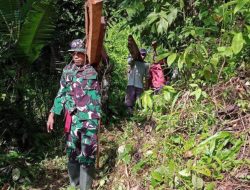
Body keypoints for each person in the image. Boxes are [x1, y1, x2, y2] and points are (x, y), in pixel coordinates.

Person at [46, 39, 101, 190]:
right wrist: (52, 113)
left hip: (89, 119)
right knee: (72, 152)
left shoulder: (93, 69)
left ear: (85, 54)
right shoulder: (67, 71)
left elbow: (105, 60)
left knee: (88, 154)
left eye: (79, 53)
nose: (76, 56)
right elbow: (61, 93)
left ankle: (85, 187)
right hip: (73, 118)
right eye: (73, 54)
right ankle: (73, 185)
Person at [125, 48, 149, 115]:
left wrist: (146, 87)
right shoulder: (134, 61)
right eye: (141, 54)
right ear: (139, 54)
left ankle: (137, 116)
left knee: (138, 103)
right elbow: (129, 61)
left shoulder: (146, 65)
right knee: (129, 103)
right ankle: (129, 116)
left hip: (139, 86)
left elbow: (147, 77)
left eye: (144, 55)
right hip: (131, 84)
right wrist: (134, 56)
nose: (143, 56)